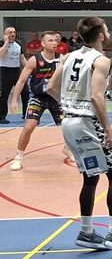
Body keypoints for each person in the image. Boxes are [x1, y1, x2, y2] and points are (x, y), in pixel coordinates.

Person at [47, 16, 112, 254]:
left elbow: (51, 87)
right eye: (107, 29)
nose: (109, 33)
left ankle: (86, 232)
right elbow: (96, 97)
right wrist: (108, 129)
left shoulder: (68, 57)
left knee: (91, 176)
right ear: (101, 35)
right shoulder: (101, 60)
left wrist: (70, 105)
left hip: (69, 121)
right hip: (88, 121)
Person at [8, 31, 67, 170]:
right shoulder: (35, 60)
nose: (54, 43)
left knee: (68, 126)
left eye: (55, 40)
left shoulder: (61, 58)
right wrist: (14, 99)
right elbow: (21, 80)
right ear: (43, 44)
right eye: (50, 40)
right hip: (38, 97)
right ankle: (18, 157)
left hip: (55, 97)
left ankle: (68, 148)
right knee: (29, 126)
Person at [0, 26, 29, 124]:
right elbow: (1, 53)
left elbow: (22, 58)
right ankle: (1, 116)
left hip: (16, 71)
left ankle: (26, 115)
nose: (12, 34)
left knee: (25, 92)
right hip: (5, 71)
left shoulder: (18, 44)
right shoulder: (1, 43)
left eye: (14, 32)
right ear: (5, 34)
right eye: (10, 32)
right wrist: (6, 42)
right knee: (4, 94)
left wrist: (30, 68)